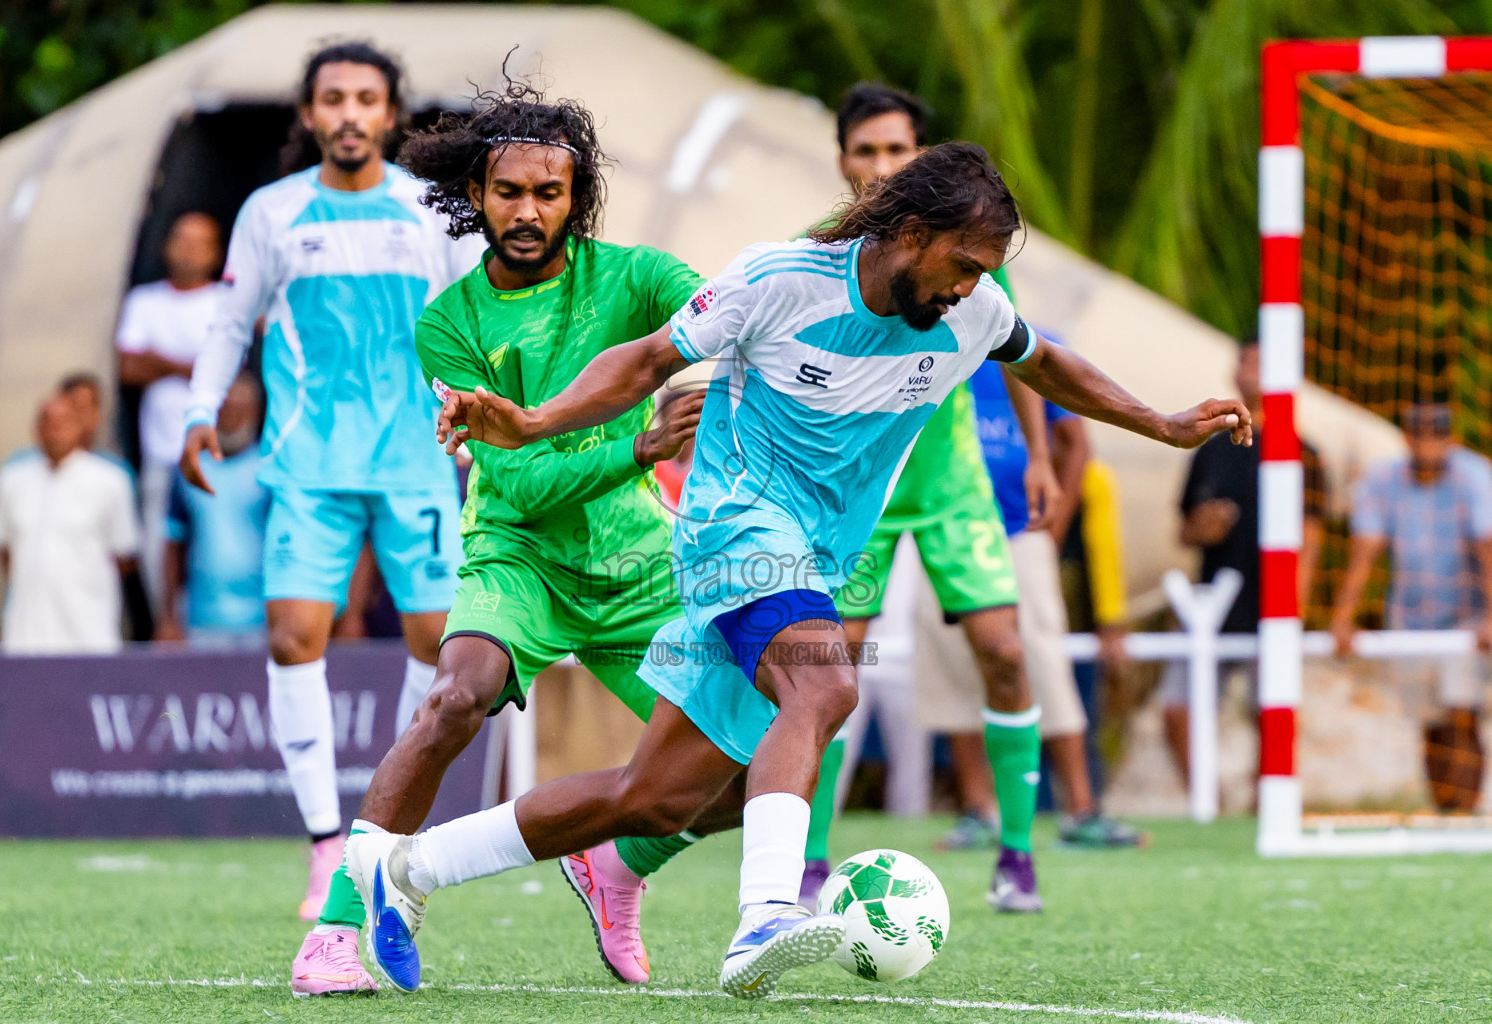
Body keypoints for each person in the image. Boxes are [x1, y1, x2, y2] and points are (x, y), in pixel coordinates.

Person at [348, 141, 1253, 999]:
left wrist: (1164, 425)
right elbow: (649, 358)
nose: (974, 286)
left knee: (653, 800)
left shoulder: (970, 312)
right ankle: (766, 920)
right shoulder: (781, 280)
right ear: (909, 236)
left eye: (984, 271)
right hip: (731, 530)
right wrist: (540, 421)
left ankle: (410, 868)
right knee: (823, 686)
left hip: (810, 561)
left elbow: (1047, 360)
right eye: (965, 263)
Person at [287, 82, 733, 997]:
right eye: (507, 193)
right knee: (456, 697)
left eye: (548, 193)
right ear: (475, 196)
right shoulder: (447, 325)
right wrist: (642, 442)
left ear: (577, 198)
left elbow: (724, 318)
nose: (527, 211)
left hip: (640, 564)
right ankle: (334, 932)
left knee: (752, 765)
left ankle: (617, 866)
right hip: (516, 555)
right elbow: (521, 480)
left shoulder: (638, 278)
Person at [181, 42, 485, 928]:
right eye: (332, 99)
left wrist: (488, 417)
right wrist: (204, 410)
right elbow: (230, 320)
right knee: (292, 636)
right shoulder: (271, 212)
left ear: (390, 115)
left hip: (418, 459)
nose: (349, 113)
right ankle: (324, 840)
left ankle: (373, 836)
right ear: (309, 115)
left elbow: (472, 323)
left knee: (437, 646)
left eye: (365, 98)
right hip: (308, 463)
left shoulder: (433, 212)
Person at [804, 81, 1062, 914]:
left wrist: (1038, 456)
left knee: (1007, 653)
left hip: (951, 483)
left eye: (898, 149)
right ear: (842, 159)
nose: (882, 165)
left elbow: (1024, 351)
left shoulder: (964, 251)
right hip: (856, 493)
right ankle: (809, 862)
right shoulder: (816, 255)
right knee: (825, 671)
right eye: (867, 150)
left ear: (921, 154)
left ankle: (1017, 854)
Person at [916, 355, 1144, 850]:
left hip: (1021, 535)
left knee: (1042, 664)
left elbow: (1076, 439)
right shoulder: (929, 339)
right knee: (953, 665)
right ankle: (979, 811)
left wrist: (1051, 531)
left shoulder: (1033, 344)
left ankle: (1082, 808)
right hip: (940, 533)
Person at [1161, 339, 1326, 786]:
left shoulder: (1302, 452)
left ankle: (1263, 805)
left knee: (1274, 714)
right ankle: (1207, 805)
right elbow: (1182, 531)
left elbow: (1311, 538)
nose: (1248, 368)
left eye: (1259, 360)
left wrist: (1296, 607)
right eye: (1243, 360)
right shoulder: (1211, 449)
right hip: (1210, 604)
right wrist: (1202, 527)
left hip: (1270, 606)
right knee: (1178, 711)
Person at [1331, 402, 1492, 809]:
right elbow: (1364, 554)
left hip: (1466, 616)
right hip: (1411, 616)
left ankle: (1465, 811)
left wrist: (1491, 616)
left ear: (1449, 439)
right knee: (1430, 721)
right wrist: (1342, 619)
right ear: (1406, 439)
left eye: (1436, 437)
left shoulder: (1474, 477)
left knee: (1461, 713)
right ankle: (1445, 811)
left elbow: (1487, 549)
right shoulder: (1383, 481)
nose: (1427, 446)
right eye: (1419, 436)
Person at [117, 211, 226, 611]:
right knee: (156, 548)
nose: (188, 250)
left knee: (218, 547)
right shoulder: (145, 301)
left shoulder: (226, 302)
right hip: (163, 452)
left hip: (220, 456)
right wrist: (198, 367)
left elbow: (240, 373)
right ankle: (166, 625)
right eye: (181, 239)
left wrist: (160, 363)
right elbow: (128, 366)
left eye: (200, 242)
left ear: (216, 253)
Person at [0, 377, 139, 654]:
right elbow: (5, 548)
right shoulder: (13, 477)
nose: (55, 430)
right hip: (25, 636)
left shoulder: (110, 479)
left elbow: (125, 557)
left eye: (64, 421)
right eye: (48, 421)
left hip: (87, 635)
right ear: (35, 428)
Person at [156, 372, 269, 651]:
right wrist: (169, 616)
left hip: (264, 620)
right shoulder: (189, 470)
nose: (232, 418)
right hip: (201, 621)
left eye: (241, 410)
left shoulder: (270, 469)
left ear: (254, 413)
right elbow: (173, 544)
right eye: (226, 409)